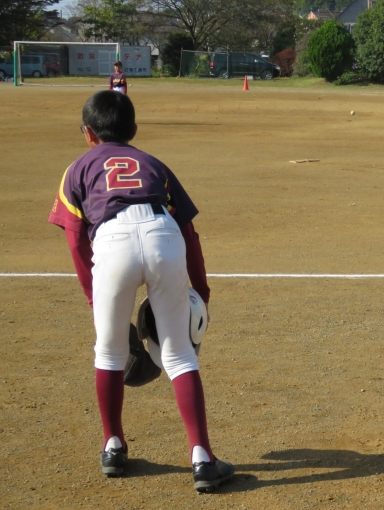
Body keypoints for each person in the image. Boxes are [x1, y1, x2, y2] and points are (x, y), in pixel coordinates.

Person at [48, 90, 233, 492]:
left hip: (111, 241)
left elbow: (76, 239)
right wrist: (200, 289)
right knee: (179, 354)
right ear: (133, 129)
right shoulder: (153, 164)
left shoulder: (77, 168)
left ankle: (113, 446)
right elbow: (188, 231)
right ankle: (202, 458)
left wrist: (94, 295)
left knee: (109, 352)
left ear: (88, 133)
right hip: (163, 235)